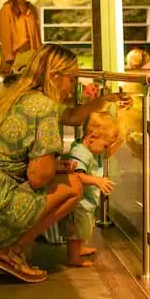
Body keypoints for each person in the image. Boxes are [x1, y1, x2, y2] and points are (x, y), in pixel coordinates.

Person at [0, 44, 131, 282]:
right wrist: (55, 167)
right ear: (55, 76)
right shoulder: (44, 108)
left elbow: (72, 117)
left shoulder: (18, 96)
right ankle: (11, 252)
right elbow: (38, 177)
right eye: (72, 79)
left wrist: (105, 101)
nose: (74, 86)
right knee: (73, 185)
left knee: (63, 178)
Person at [59, 112, 121, 267]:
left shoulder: (88, 149)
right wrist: (97, 181)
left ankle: (80, 248)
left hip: (85, 202)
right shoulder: (80, 152)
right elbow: (77, 176)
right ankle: (73, 256)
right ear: (92, 136)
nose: (105, 150)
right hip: (78, 204)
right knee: (76, 230)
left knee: (83, 228)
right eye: (105, 145)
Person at [0, 0, 42, 77]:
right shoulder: (7, 10)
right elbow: (5, 35)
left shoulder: (32, 9)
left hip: (31, 59)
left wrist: (40, 55)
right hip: (15, 60)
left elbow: (37, 35)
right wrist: (9, 57)